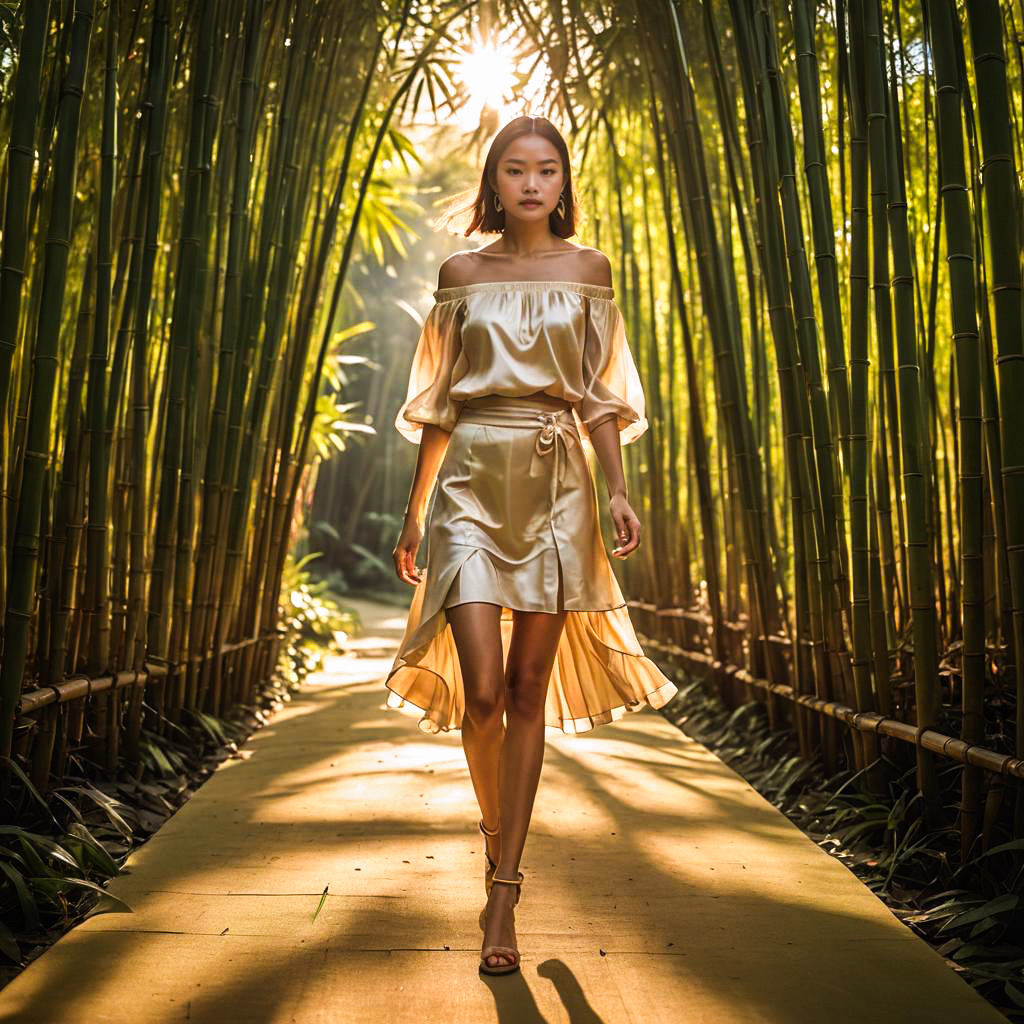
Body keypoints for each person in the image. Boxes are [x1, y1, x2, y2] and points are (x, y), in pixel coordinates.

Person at [387, 114, 678, 976]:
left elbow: (596, 399)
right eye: (515, 170)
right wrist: (414, 513)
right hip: (472, 481)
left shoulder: (589, 271)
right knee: (480, 690)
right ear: (494, 179)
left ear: (563, 182)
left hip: (557, 486)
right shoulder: (460, 273)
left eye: (546, 170)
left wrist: (618, 489)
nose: (531, 184)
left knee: (524, 688)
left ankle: (503, 890)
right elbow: (438, 406)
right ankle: (495, 827)